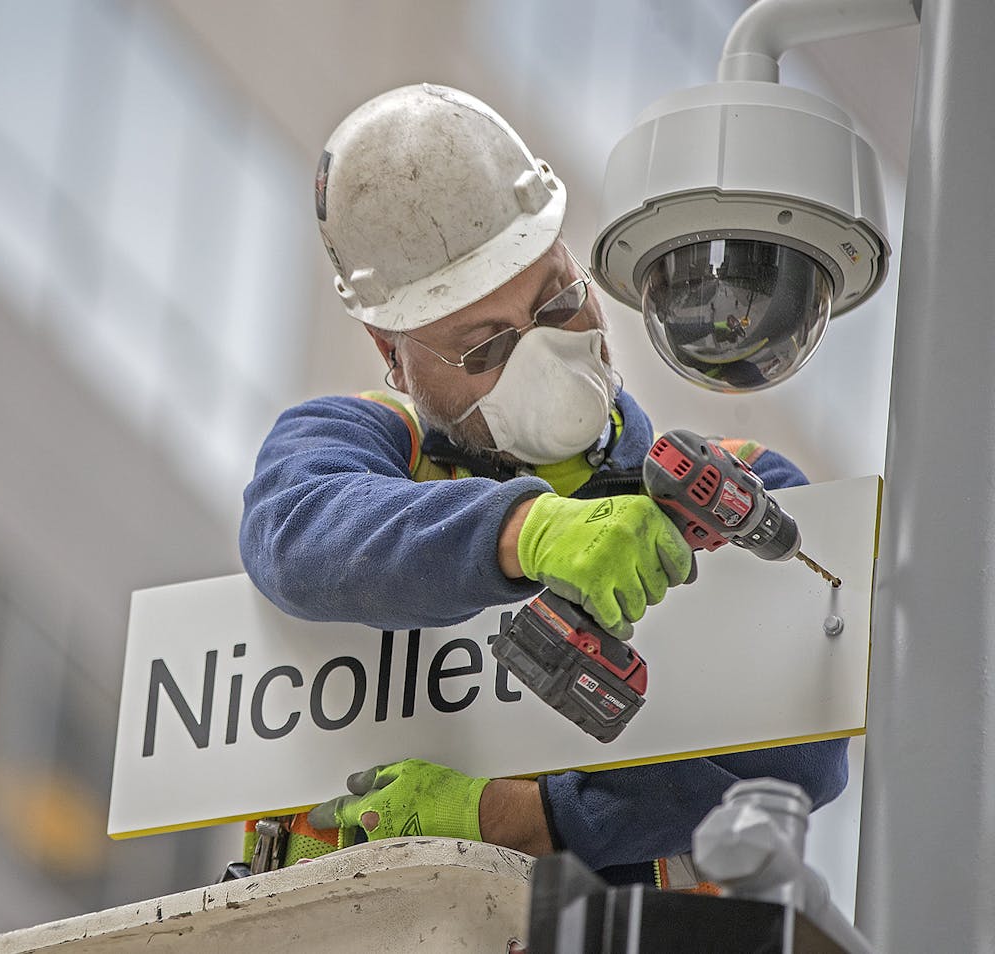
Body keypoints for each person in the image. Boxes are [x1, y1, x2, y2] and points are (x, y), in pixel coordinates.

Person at [237, 84, 847, 888]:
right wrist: (527, 531)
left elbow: (799, 751)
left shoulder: (738, 493)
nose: (544, 355)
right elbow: (298, 533)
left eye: (558, 303)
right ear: (393, 355)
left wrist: (515, 819)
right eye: (484, 349)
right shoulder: (361, 443)